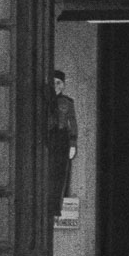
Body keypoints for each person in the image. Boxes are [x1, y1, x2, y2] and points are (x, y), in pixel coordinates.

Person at [48, 70, 79, 207]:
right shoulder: (44, 101)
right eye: (53, 82)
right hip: (48, 138)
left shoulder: (67, 102)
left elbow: (73, 124)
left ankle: (56, 204)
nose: (55, 85)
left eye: (58, 82)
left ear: (63, 85)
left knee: (60, 172)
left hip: (61, 139)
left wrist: (73, 144)